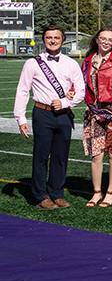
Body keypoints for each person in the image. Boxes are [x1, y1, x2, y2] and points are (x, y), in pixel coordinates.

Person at [14, 25, 85, 209]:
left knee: (60, 157)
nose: (52, 41)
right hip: (42, 113)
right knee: (41, 156)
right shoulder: (32, 63)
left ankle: (57, 193)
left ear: (63, 40)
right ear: (43, 40)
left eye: (56, 37)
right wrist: (20, 118)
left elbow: (81, 91)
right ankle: (40, 196)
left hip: (63, 115)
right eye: (48, 37)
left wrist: (66, 103)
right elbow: (23, 90)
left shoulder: (71, 63)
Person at [81, 27, 112, 207]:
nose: (106, 42)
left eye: (110, 40)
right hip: (94, 113)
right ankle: (96, 192)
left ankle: (111, 192)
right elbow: (82, 85)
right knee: (96, 155)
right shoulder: (87, 61)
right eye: (103, 38)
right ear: (96, 39)